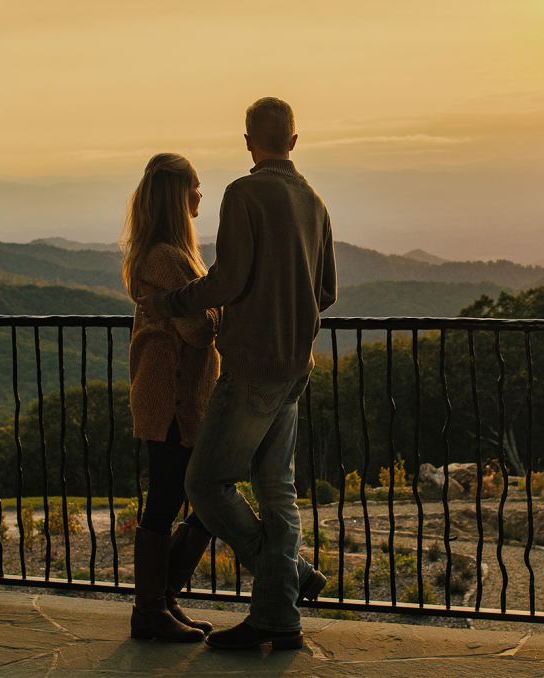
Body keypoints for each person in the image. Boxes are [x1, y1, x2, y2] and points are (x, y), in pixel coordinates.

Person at [139, 97, 337, 650]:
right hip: (296, 368)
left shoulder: (244, 194)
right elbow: (326, 292)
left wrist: (175, 303)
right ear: (293, 142)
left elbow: (225, 281)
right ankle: (280, 615)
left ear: (249, 139)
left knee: (205, 485)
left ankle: (283, 588)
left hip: (250, 367)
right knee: (278, 492)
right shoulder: (315, 203)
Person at [122, 153, 221, 643]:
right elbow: (199, 331)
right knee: (177, 499)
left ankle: (162, 601)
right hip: (171, 398)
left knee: (184, 496)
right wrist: (223, 309)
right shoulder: (166, 257)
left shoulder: (167, 253)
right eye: (195, 188)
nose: (201, 196)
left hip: (172, 396)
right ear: (176, 197)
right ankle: (150, 608)